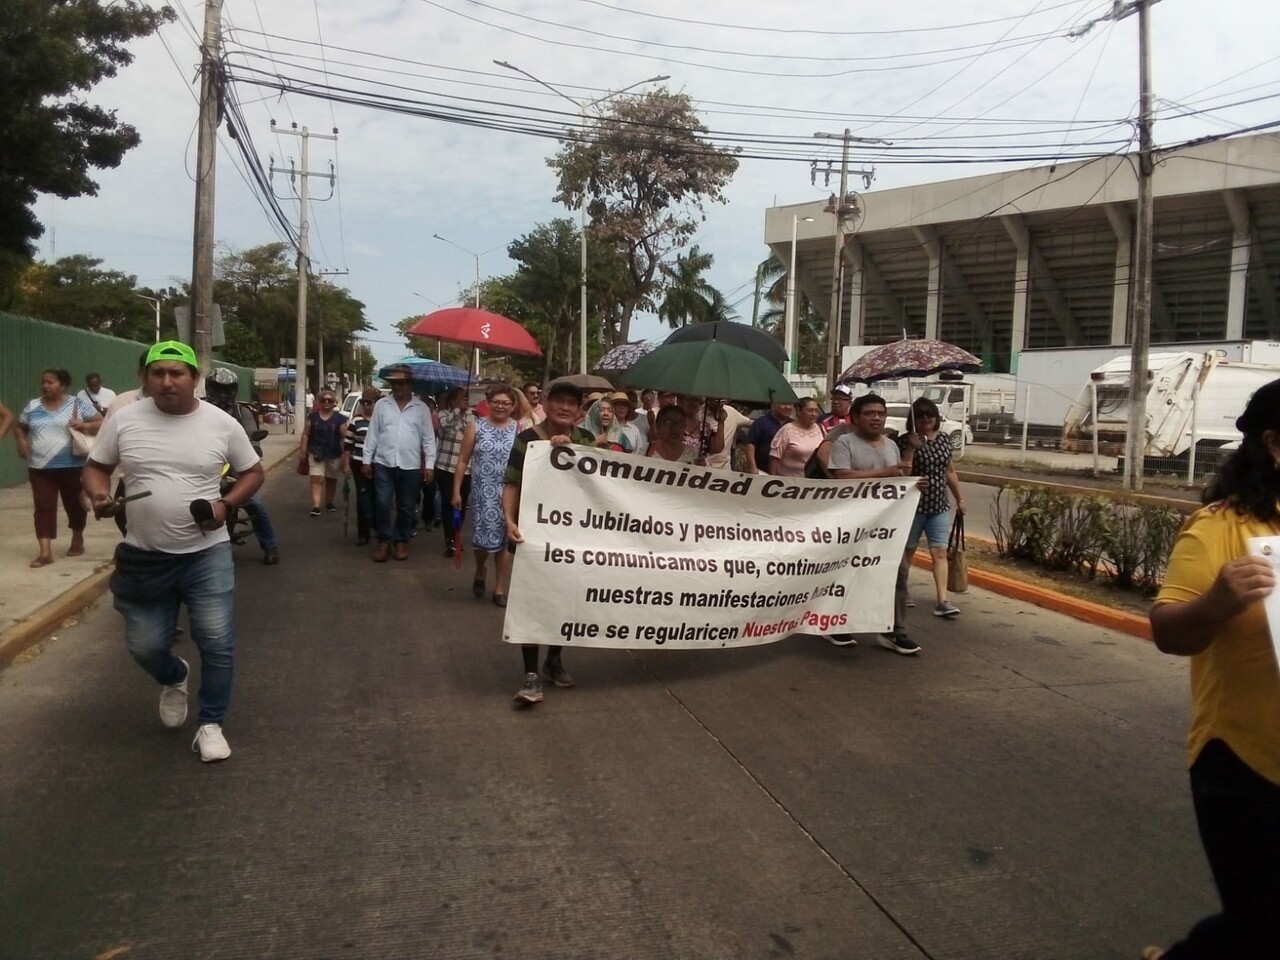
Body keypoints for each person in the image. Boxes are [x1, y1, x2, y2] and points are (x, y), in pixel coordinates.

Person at [1141, 379, 1280, 960]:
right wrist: (1216, 603)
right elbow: (1168, 631)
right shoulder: (1221, 528)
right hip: (1246, 766)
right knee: (1260, 926)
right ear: (1275, 444)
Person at [82, 340, 264, 763]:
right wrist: (98, 495)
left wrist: (226, 505)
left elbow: (252, 472)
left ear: (194, 380)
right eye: (157, 373)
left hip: (206, 554)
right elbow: (97, 466)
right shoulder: (124, 420)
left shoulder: (221, 424)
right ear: (145, 379)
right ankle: (174, 675)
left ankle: (211, 723)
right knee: (145, 647)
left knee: (217, 641)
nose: (166, 381)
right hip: (145, 557)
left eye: (176, 373)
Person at [503, 380, 595, 704]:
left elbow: (603, 483)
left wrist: (573, 449)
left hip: (571, 536)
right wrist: (510, 520)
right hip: (532, 533)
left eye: (573, 402)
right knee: (531, 600)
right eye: (560, 401)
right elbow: (511, 483)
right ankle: (530, 675)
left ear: (579, 409)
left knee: (562, 599)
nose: (566, 407)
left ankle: (554, 658)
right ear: (546, 402)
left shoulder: (586, 440)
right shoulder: (526, 441)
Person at [827, 393, 924, 656]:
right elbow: (841, 477)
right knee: (849, 572)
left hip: (887, 525)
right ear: (855, 418)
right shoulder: (844, 442)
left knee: (898, 571)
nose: (876, 418)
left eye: (880, 413)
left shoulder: (892, 446)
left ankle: (894, 630)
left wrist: (913, 484)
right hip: (853, 524)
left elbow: (898, 478)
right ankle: (838, 622)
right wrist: (885, 473)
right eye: (870, 413)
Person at [15, 368, 101, 567]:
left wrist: (84, 426)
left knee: (74, 505)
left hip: (72, 465)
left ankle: (77, 538)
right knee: (43, 507)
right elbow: (20, 426)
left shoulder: (77, 404)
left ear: (63, 385)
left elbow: (101, 421)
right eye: (43, 382)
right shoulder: (33, 406)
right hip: (40, 467)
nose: (45, 386)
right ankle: (45, 552)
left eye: (50, 382)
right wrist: (21, 441)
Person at [204, 368, 280, 565]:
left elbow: (252, 438)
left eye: (227, 389)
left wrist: (255, 449)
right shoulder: (199, 409)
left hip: (235, 471)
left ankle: (270, 545)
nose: (222, 394)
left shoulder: (241, 412)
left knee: (256, 504)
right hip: (204, 469)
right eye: (218, 389)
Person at [454, 384, 521, 606]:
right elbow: (463, 460)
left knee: (505, 540)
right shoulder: (476, 427)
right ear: (488, 403)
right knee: (483, 542)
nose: (501, 406)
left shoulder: (519, 430)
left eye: (506, 403)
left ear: (513, 406)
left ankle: (499, 588)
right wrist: (456, 490)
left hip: (510, 492)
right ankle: (481, 568)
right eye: (497, 402)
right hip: (483, 492)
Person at [361, 365, 436, 562]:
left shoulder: (421, 408)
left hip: (410, 465)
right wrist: (366, 460)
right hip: (384, 462)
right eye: (394, 383)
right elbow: (373, 434)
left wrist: (429, 465)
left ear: (410, 384)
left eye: (401, 383)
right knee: (383, 503)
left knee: (406, 506)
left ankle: (401, 540)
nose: (397, 387)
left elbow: (429, 438)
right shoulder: (382, 405)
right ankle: (384, 540)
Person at [901, 397, 965, 618]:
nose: (926, 419)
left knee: (939, 551)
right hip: (913, 507)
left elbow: (950, 472)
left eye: (930, 415)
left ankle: (942, 599)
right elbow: (903, 474)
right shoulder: (905, 441)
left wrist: (960, 499)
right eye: (920, 415)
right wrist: (911, 447)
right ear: (913, 419)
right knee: (908, 551)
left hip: (939, 506)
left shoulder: (944, 440)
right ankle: (902, 590)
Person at [435, 387, 473, 558]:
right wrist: (458, 410)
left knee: (461, 504)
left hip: (466, 468)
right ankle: (449, 539)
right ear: (452, 400)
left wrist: (466, 413)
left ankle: (456, 536)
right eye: (460, 398)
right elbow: (445, 426)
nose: (465, 400)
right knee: (448, 503)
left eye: (466, 398)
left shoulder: (473, 416)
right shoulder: (443, 414)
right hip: (445, 466)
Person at [299, 387, 348, 517]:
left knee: (331, 479)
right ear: (319, 402)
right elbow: (305, 434)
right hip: (315, 453)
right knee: (316, 478)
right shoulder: (312, 417)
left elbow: (344, 438)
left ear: (334, 403)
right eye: (324, 400)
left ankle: (329, 502)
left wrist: (346, 456)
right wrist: (303, 451)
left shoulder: (340, 419)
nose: (326, 402)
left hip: (334, 453)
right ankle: (316, 506)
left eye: (329, 400)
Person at [342, 387, 381, 546]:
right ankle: (363, 533)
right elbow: (348, 445)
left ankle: (380, 530)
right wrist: (346, 465)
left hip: (379, 464)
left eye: (369, 402)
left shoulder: (382, 420)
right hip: (358, 463)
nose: (366, 405)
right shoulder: (356, 421)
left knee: (379, 498)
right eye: (363, 402)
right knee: (363, 497)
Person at [769, 397, 824, 477]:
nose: (814, 414)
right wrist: (772, 479)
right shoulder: (787, 430)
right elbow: (774, 458)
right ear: (799, 411)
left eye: (816, 411)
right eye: (810, 410)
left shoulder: (821, 428)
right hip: (789, 483)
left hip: (814, 483)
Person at [745, 401, 794, 474]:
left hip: (788, 473)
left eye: (790, 404)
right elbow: (751, 444)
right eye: (784, 403)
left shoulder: (794, 425)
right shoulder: (761, 422)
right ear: (773, 405)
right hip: (762, 471)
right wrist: (752, 466)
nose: (788, 407)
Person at [677, 394, 727, 464]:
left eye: (696, 401)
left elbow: (717, 448)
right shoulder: (675, 424)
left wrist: (721, 423)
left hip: (699, 469)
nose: (693, 403)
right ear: (680, 402)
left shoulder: (705, 426)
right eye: (690, 399)